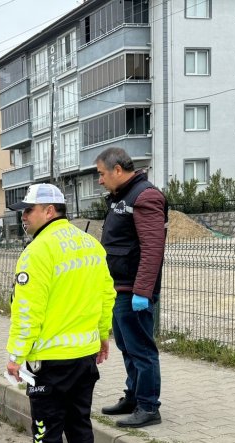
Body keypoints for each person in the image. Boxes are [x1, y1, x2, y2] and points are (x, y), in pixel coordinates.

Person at [5, 184, 115, 443]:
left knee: (46, 428)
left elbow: (28, 310)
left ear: (50, 210)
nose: (23, 216)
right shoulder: (91, 246)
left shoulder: (38, 252)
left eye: (28, 210)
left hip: (50, 362)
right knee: (80, 424)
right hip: (84, 356)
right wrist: (101, 335)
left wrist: (15, 355)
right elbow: (107, 293)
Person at [95, 146, 168, 428]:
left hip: (133, 290)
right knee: (127, 346)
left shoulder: (145, 196)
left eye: (102, 174)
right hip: (118, 287)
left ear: (117, 170)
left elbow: (152, 249)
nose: (99, 180)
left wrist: (142, 291)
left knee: (141, 349)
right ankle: (134, 396)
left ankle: (149, 406)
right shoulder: (120, 197)